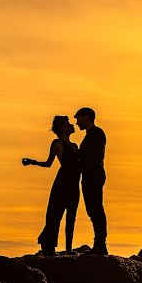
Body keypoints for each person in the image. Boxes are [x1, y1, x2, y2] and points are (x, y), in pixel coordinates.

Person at [22, 115, 81, 256]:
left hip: (74, 183)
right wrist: (33, 162)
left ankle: (69, 249)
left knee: (71, 216)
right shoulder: (58, 143)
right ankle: (49, 246)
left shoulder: (75, 146)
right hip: (62, 182)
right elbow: (49, 163)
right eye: (68, 124)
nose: (72, 125)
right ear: (62, 128)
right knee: (55, 215)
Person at [74, 107, 108, 255]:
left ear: (86, 117)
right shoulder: (92, 134)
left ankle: (100, 244)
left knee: (96, 209)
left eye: (78, 118)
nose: (76, 122)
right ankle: (99, 244)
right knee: (93, 210)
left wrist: (79, 158)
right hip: (90, 176)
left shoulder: (96, 134)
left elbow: (93, 157)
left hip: (93, 176)